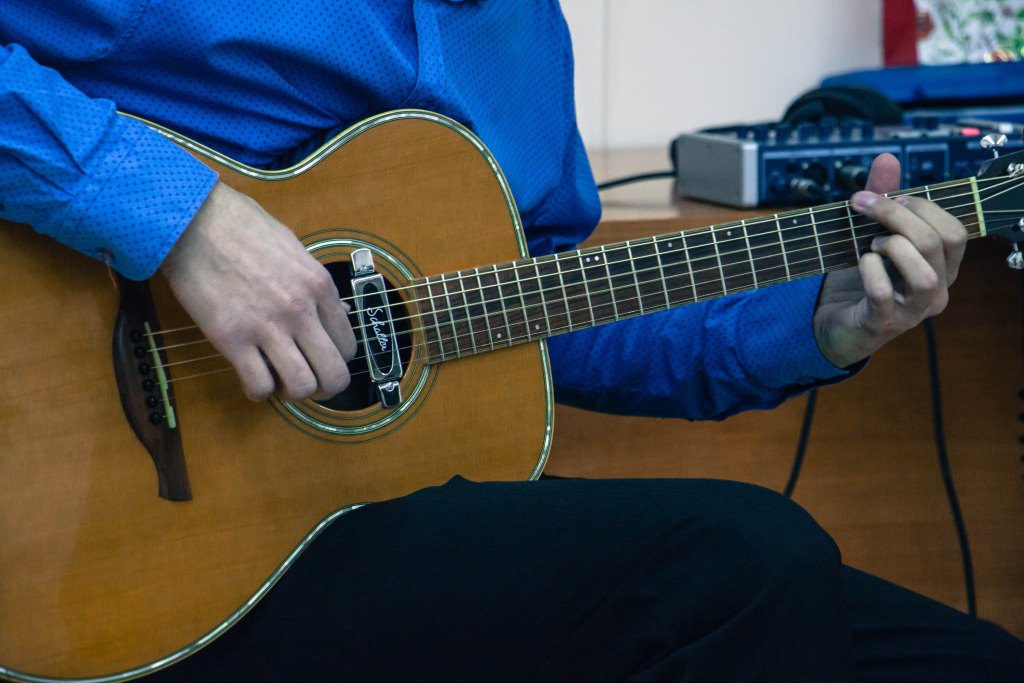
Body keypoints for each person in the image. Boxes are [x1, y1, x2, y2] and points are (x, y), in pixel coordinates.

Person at [1, 2, 1021, 681]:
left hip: (371, 508)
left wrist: (821, 322)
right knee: (746, 560)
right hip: (118, 539)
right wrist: (182, 221)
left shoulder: (523, 32)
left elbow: (543, 310)